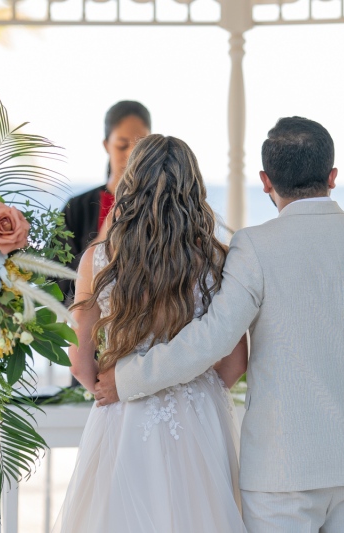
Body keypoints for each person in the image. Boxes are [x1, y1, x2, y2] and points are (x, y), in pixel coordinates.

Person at [94, 117, 344, 533]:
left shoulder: (255, 245)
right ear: (333, 176)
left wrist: (129, 378)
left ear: (266, 181)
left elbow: (212, 337)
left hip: (279, 471)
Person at [53, 134, 248, 533]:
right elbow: (235, 363)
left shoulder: (100, 258)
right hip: (199, 416)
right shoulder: (215, 260)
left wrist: (105, 387)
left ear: (130, 184)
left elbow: (77, 357)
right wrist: (199, 387)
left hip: (122, 415)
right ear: (193, 189)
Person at [57, 101, 151, 304]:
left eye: (141, 145)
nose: (132, 155)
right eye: (122, 145)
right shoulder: (77, 209)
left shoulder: (162, 207)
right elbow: (55, 284)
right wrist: (100, 243)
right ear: (106, 145)